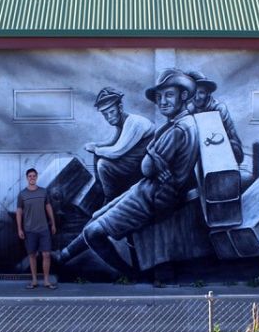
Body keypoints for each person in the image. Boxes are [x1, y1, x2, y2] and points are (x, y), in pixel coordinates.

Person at [56, 69, 200, 276]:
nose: (163, 101)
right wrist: (155, 159)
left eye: (169, 95)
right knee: (97, 214)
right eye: (159, 97)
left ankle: (129, 276)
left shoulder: (177, 129)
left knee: (93, 231)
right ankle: (64, 255)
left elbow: (146, 166)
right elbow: (149, 161)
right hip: (147, 188)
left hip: (155, 196)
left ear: (184, 95)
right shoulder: (179, 125)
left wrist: (153, 160)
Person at [84, 87, 154, 202]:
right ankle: (100, 193)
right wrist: (97, 145)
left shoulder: (134, 123)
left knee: (103, 164)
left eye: (111, 112)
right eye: (105, 114)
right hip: (134, 162)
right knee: (100, 155)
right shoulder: (121, 123)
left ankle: (109, 198)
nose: (109, 117)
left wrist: (96, 149)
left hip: (143, 166)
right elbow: (112, 142)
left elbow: (117, 151)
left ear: (120, 108)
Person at [187, 70, 243, 164]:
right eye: (193, 93)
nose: (196, 97)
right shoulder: (189, 110)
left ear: (208, 93)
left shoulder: (219, 108)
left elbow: (231, 137)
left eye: (201, 92)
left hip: (223, 150)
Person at [17, 168, 57, 289]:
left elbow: (48, 207)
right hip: (29, 230)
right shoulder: (22, 194)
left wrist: (53, 224)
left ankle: (46, 281)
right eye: (30, 176)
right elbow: (19, 212)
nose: (32, 178)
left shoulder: (43, 192)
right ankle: (34, 280)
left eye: (34, 176)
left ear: (37, 177)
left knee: (46, 255)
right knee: (32, 255)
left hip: (44, 229)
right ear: (27, 178)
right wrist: (19, 229)